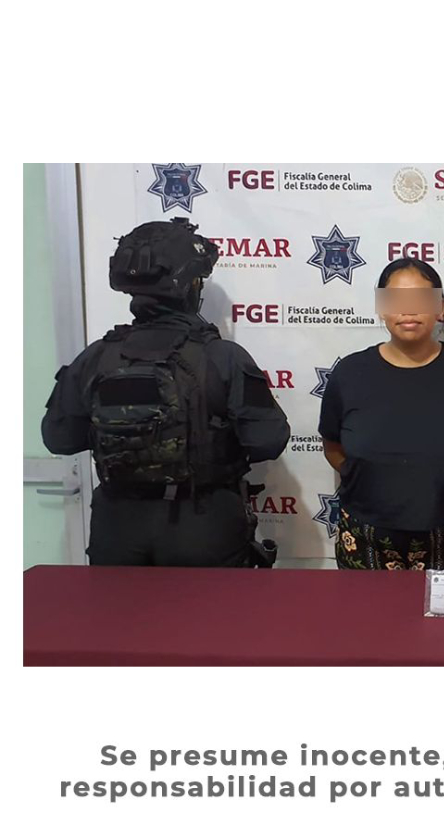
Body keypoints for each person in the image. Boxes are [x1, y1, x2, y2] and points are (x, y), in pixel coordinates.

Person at [42, 217, 290, 567]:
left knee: (120, 608)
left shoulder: (96, 357)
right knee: (214, 608)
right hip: (203, 526)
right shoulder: (222, 357)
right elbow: (268, 441)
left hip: (118, 529)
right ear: (191, 285)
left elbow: (59, 439)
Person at [319, 258, 444, 570]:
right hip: (367, 538)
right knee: (363, 606)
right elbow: (333, 446)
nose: (408, 310)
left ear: (440, 307)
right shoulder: (349, 373)